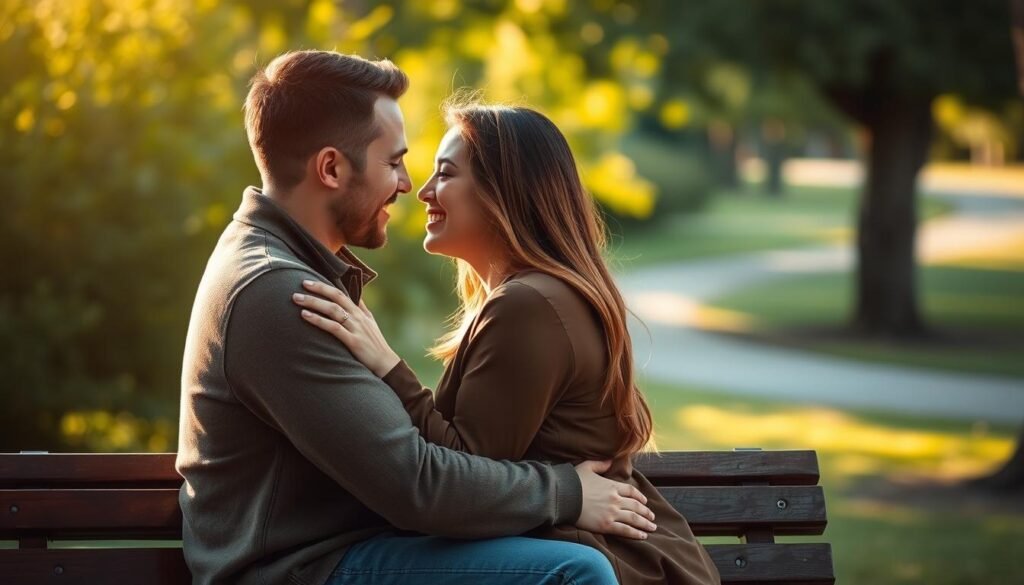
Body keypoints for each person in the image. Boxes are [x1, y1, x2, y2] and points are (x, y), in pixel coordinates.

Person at [177, 50, 658, 585]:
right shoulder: (277, 292)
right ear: (331, 168)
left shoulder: (288, 271)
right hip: (300, 569)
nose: (409, 185)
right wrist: (568, 492)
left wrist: (389, 366)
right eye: (394, 162)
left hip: (347, 548)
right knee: (574, 572)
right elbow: (421, 484)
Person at [292, 102, 723, 585]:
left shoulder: (529, 305)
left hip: (602, 565)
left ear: (504, 192)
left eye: (446, 174)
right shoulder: (536, 297)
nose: (425, 191)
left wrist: (388, 366)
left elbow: (462, 475)